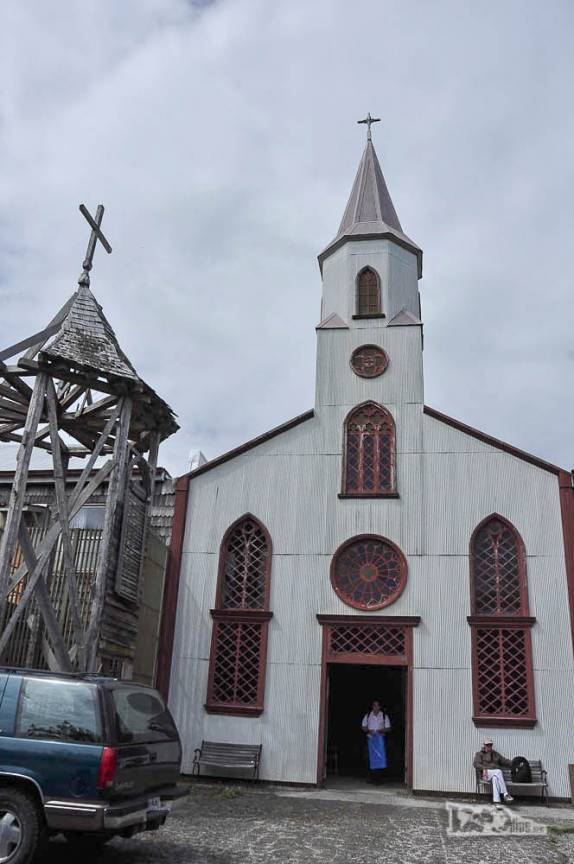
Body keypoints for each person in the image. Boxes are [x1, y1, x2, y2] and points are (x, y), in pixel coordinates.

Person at [473, 738, 514, 805]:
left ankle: (496, 802)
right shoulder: (479, 754)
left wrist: (515, 763)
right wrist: (484, 768)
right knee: (498, 771)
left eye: (490, 745)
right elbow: (476, 764)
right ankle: (505, 793)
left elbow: (504, 761)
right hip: (485, 775)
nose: (489, 746)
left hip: (494, 775)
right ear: (484, 745)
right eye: (487, 745)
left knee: (495, 779)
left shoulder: (495, 754)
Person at [362, 700, 391, 783]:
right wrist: (368, 730)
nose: (376, 707)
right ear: (372, 706)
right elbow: (363, 726)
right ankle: (371, 778)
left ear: (380, 707)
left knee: (380, 758)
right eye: (374, 705)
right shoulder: (368, 715)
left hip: (380, 741)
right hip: (370, 740)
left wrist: (382, 730)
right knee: (369, 758)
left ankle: (379, 779)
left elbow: (389, 728)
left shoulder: (384, 716)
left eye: (377, 706)